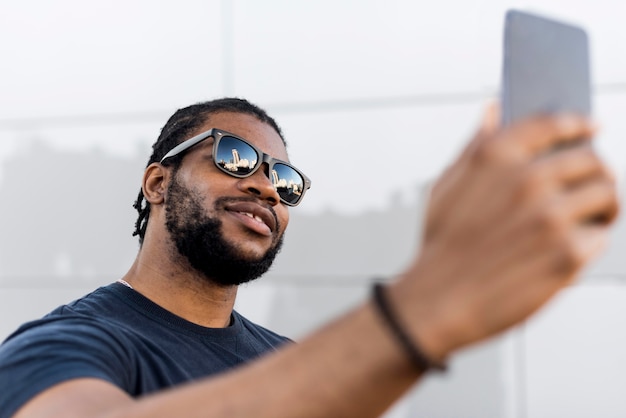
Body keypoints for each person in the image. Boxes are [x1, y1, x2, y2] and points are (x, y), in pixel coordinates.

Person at [0, 97, 619, 418]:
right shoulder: (68, 344)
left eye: (286, 180)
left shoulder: (285, 361)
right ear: (158, 184)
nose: (267, 186)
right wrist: (421, 309)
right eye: (235, 157)